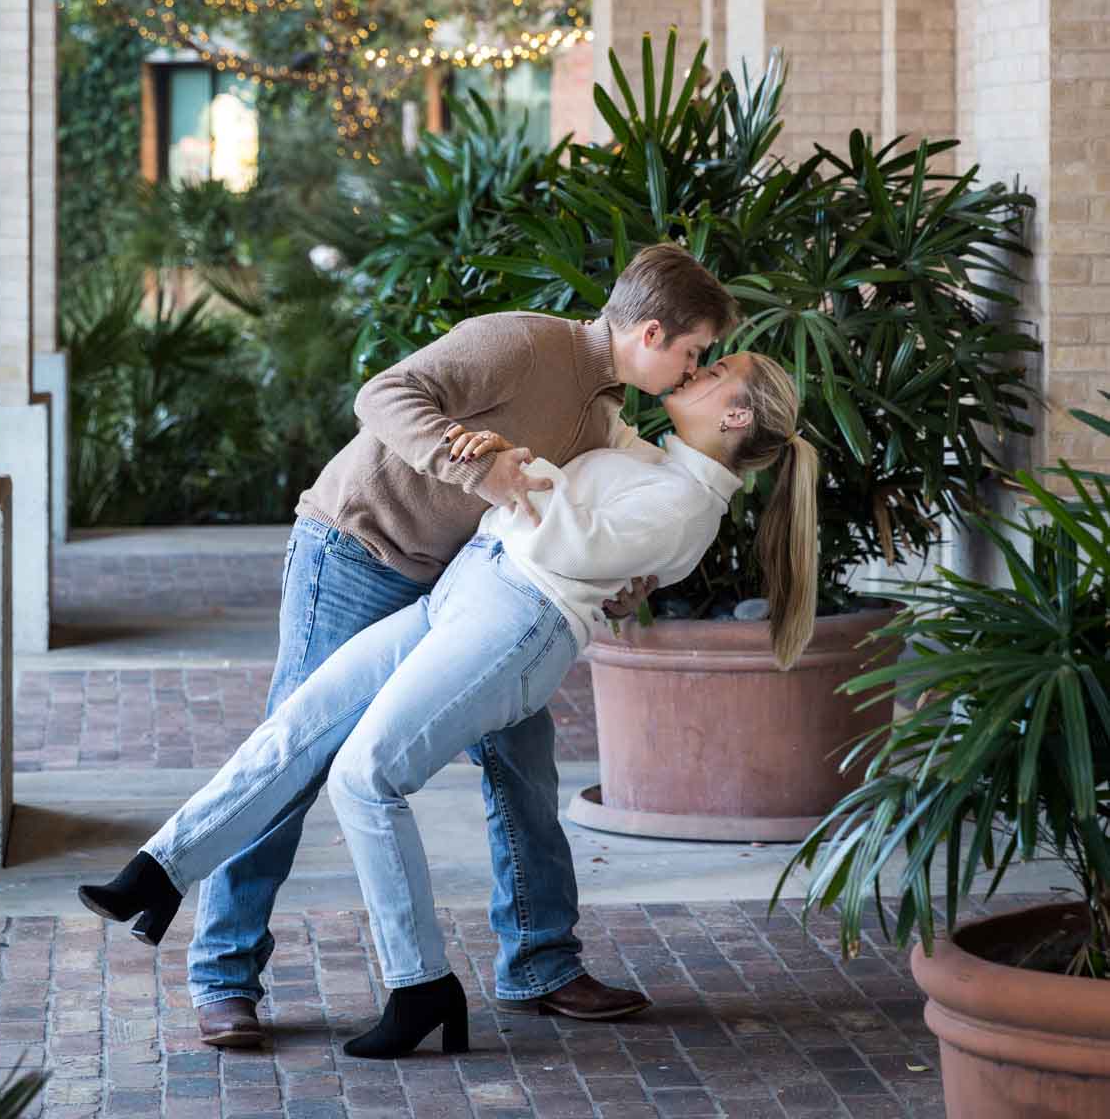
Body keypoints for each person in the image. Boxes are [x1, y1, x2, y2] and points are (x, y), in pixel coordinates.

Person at [79, 350, 818, 1060]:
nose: (700, 367)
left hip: (519, 621)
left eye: (717, 370)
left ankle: (418, 985)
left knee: (365, 778)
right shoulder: (652, 460)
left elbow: (578, 548)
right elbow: (569, 500)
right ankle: (158, 871)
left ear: (734, 416)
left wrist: (509, 462)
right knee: (300, 725)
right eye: (702, 352)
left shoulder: (690, 506)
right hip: (464, 589)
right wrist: (501, 454)